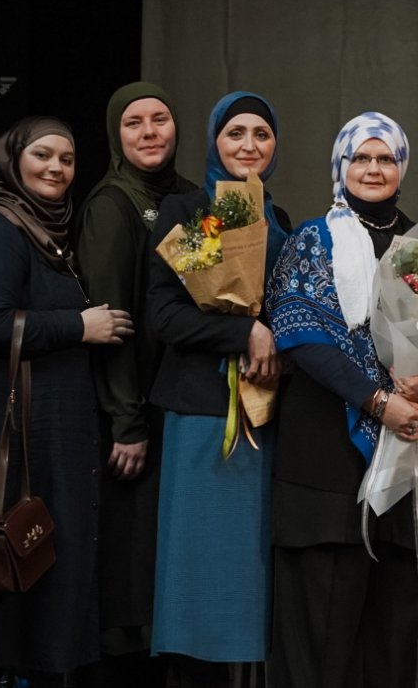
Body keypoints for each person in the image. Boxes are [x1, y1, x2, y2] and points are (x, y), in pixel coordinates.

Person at [266, 110, 418, 688]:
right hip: (326, 470)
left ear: (402, 168)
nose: (373, 168)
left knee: (392, 638)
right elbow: (299, 334)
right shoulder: (313, 239)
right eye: (360, 157)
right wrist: (377, 400)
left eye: (385, 158)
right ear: (341, 165)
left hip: (407, 463)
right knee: (320, 642)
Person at [0, 117, 134, 684]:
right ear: (13, 159)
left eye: (67, 159)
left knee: (46, 571)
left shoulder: (47, 230)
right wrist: (80, 326)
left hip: (46, 436)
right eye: (42, 155)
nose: (56, 168)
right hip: (9, 435)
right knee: (8, 576)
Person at [145, 91, 290, 684]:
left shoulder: (280, 220)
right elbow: (164, 315)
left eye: (261, 134)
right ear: (214, 141)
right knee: (199, 569)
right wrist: (244, 333)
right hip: (203, 414)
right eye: (236, 133)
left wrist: (275, 340)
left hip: (265, 414)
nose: (249, 146)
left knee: (249, 574)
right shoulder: (195, 212)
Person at [74, 82, 197, 682]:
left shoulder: (193, 198)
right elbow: (112, 321)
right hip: (132, 415)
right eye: (134, 123)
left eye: (160, 119)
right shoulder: (111, 204)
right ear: (114, 134)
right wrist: (127, 420)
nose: (149, 132)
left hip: (180, 405)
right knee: (130, 574)